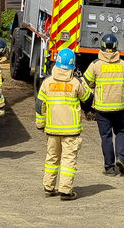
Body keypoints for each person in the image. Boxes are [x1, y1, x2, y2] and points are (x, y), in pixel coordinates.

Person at [35, 48, 92, 201]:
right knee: (68, 160)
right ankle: (65, 191)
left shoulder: (47, 83)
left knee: (52, 158)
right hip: (71, 131)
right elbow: (87, 98)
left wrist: (40, 124)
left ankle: (48, 187)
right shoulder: (75, 83)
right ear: (73, 65)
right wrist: (83, 81)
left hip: (52, 130)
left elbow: (39, 106)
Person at [83, 32, 124, 175]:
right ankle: (121, 158)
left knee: (106, 136)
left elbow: (86, 82)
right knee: (120, 132)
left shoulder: (95, 65)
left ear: (102, 46)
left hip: (102, 108)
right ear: (116, 46)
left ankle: (109, 167)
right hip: (119, 107)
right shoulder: (123, 65)